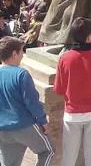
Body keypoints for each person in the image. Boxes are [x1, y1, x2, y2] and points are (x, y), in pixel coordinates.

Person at [53, 17, 91, 166]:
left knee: (69, 157)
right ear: (89, 36)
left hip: (72, 114)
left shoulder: (64, 58)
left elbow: (58, 88)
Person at [0, 36, 54, 166]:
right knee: (48, 151)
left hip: (3, 129)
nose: (23, 55)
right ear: (14, 54)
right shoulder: (21, 74)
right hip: (24, 125)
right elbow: (32, 102)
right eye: (21, 52)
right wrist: (43, 122)